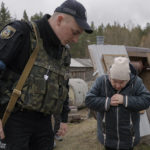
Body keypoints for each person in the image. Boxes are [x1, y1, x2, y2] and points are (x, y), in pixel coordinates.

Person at [0, 0, 93, 149]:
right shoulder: (22, 33)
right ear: (60, 20)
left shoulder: (64, 52)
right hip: (13, 121)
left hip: (44, 125)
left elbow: (62, 85)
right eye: (74, 32)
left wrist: (63, 118)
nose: (75, 40)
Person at [85, 57, 150, 150]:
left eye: (122, 82)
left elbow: (146, 100)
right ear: (109, 75)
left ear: (128, 78)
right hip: (107, 136)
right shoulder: (101, 81)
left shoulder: (136, 82)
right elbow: (89, 100)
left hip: (128, 137)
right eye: (114, 81)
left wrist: (125, 100)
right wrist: (107, 102)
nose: (118, 86)